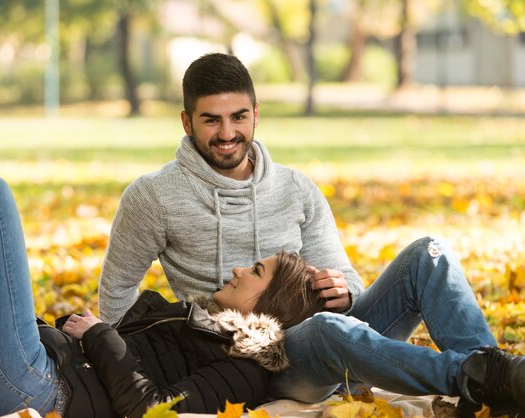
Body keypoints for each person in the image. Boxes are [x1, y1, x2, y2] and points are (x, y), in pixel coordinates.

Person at [98, 52, 525, 416]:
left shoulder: (295, 189)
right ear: (187, 122)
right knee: (325, 329)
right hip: (250, 364)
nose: (227, 134)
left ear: (256, 114)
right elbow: (117, 305)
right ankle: (488, 377)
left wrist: (345, 292)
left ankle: (492, 385)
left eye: (238, 117)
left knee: (428, 254)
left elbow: (349, 281)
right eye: (211, 120)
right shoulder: (152, 197)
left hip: (332, 332)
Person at [0, 169, 325, 418]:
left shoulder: (244, 371)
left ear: (272, 305)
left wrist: (101, 335)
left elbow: (152, 410)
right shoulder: (196, 319)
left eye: (254, 271)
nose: (237, 269)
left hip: (31, 389)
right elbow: (103, 359)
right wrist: (74, 333)